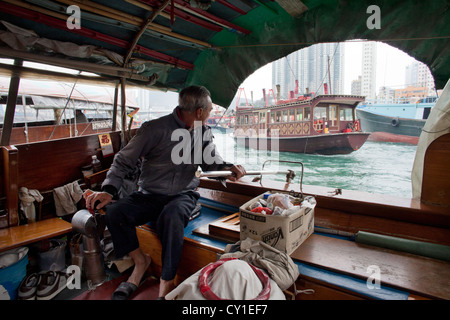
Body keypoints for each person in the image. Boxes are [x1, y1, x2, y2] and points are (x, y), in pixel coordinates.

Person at [83, 85, 246, 300]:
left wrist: (228, 170)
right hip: (149, 195)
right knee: (115, 212)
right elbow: (123, 160)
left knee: (172, 215)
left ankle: (165, 284)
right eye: (209, 110)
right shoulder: (153, 129)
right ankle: (141, 263)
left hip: (182, 195)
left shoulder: (204, 132)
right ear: (199, 112)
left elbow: (210, 164)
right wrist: (109, 190)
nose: (210, 114)